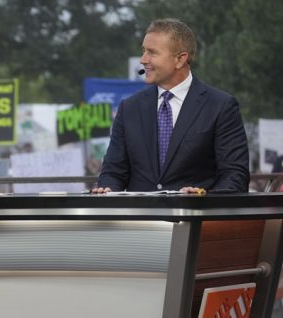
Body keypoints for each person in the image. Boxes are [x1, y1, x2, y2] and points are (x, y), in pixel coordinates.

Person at [93, 18, 249, 194]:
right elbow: (113, 172)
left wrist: (203, 197)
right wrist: (107, 190)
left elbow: (234, 175)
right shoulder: (128, 108)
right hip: (141, 212)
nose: (143, 60)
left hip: (195, 211)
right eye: (143, 51)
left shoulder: (221, 106)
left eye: (152, 53)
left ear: (180, 59)